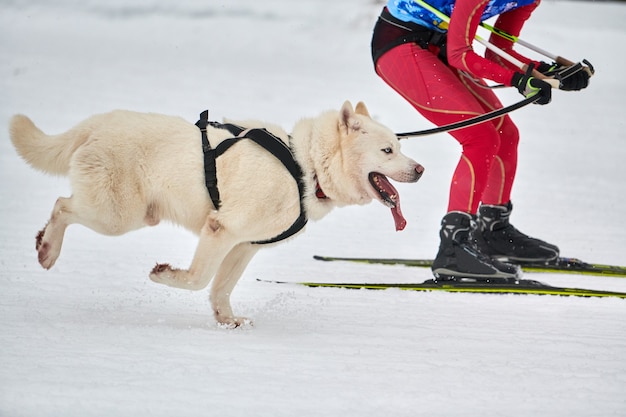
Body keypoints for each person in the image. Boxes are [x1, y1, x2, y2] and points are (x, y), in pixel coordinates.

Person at [370, 0, 590, 280]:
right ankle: (454, 247)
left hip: (441, 47)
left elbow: (499, 53)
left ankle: (492, 231)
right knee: (480, 136)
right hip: (401, 46)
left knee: (505, 135)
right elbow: (462, 55)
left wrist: (546, 72)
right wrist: (520, 80)